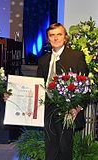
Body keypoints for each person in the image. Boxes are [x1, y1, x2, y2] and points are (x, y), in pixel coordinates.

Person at [37, 23, 89, 160]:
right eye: (52, 35)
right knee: (50, 147)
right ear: (48, 39)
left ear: (65, 37)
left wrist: (77, 108)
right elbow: (37, 85)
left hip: (68, 110)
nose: (55, 38)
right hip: (47, 108)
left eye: (59, 34)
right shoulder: (43, 60)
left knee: (65, 148)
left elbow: (85, 85)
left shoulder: (76, 56)